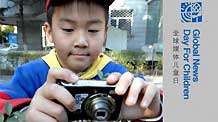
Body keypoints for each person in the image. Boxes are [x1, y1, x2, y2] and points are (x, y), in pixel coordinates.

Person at [0, 0, 162, 121]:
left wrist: (154, 112)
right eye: (68, 29)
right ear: (48, 32)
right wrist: (26, 112)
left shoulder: (119, 78)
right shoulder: (29, 75)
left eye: (93, 30)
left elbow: (162, 101)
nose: (81, 41)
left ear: (105, 33)